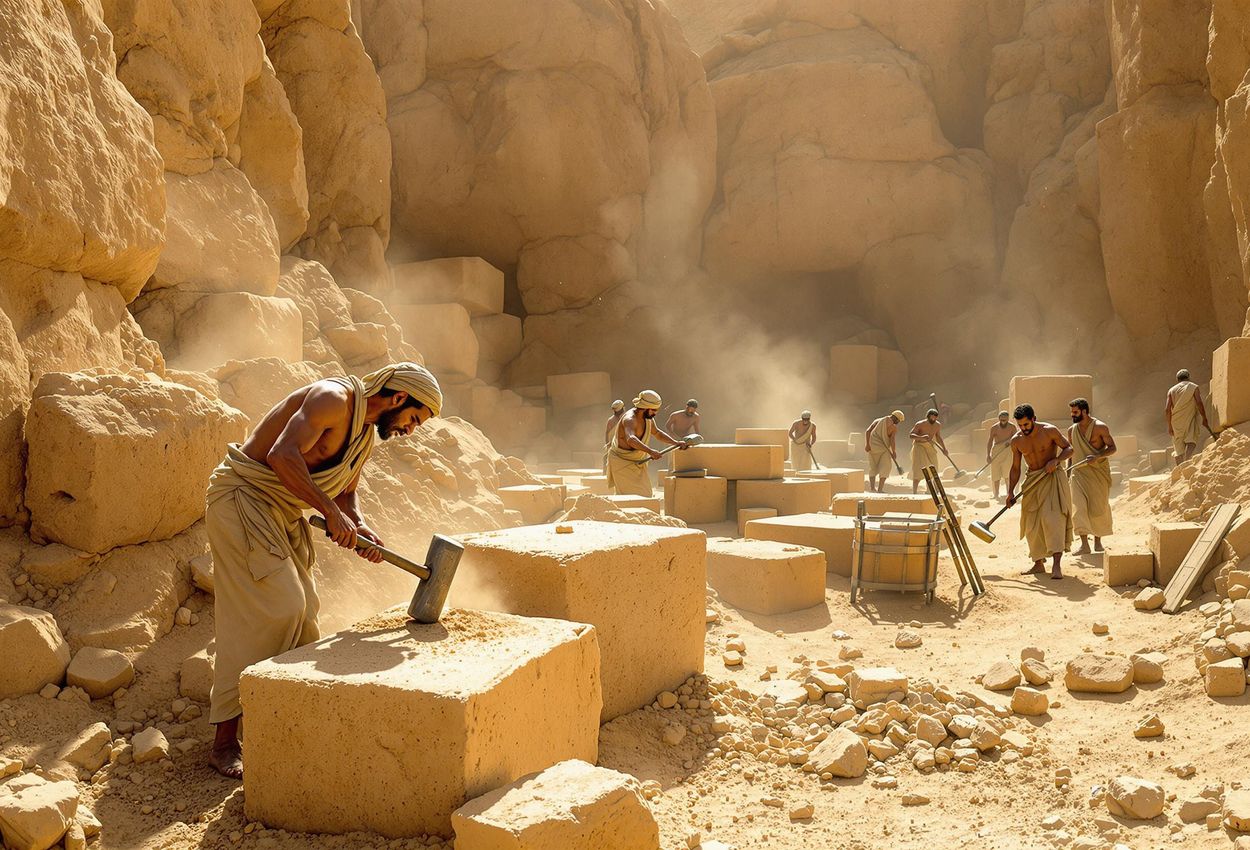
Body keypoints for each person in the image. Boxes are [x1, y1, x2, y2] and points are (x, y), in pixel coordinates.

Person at [205, 362, 443, 779]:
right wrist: (330, 512)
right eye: (414, 419)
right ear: (400, 397)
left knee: (305, 616)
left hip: (281, 514)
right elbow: (281, 455)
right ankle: (224, 741)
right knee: (275, 608)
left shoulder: (364, 434)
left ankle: (277, 722)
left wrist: (358, 526)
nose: (411, 430)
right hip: (242, 500)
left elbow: (347, 493)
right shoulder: (332, 399)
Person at [1006, 403, 1074, 580]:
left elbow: (1069, 448)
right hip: (1033, 480)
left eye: (1026, 424)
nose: (1023, 428)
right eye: (1020, 425)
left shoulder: (1049, 431)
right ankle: (1038, 563)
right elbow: (1015, 468)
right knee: (1032, 523)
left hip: (1052, 477)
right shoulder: (1016, 441)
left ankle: (1057, 565)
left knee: (1053, 519)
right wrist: (1010, 492)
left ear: (1033, 419)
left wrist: (1056, 460)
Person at [606, 390, 689, 496]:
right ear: (645, 407)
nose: (655, 413)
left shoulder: (648, 418)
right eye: (654, 410)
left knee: (646, 494)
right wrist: (650, 451)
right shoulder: (630, 419)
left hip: (638, 462)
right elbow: (631, 439)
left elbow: (657, 433)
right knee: (628, 497)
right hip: (622, 463)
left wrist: (675, 443)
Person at [1067, 398, 1116, 555]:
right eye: (1071, 412)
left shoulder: (1100, 427)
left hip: (1097, 473)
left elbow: (1113, 448)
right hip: (1078, 474)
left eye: (1075, 412)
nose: (1072, 415)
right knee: (1079, 508)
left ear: (1084, 411)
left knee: (1098, 508)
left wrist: (1097, 456)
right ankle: (1084, 545)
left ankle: (1097, 542)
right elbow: (1071, 453)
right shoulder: (1071, 430)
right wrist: (1068, 472)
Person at [1165, 369, 1211, 465]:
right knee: (1191, 441)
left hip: (1176, 421)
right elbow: (1199, 403)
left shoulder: (1171, 390)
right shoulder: (1193, 387)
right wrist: (1204, 418)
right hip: (1189, 418)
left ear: (1178, 379)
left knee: (1178, 448)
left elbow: (1167, 409)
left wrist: (1169, 426)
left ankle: (1179, 470)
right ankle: (1187, 460)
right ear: (1188, 377)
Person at [864, 410, 904, 493]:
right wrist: (893, 451)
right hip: (884, 449)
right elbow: (892, 440)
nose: (898, 423)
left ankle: (872, 488)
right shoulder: (893, 427)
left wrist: (867, 444)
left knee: (873, 467)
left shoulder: (877, 421)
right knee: (886, 467)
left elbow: (868, 431)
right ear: (896, 418)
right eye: (898, 421)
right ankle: (880, 489)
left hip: (872, 447)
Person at [908, 409, 946, 494]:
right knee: (919, 469)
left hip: (930, 446)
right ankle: (914, 492)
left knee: (933, 467)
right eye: (931, 418)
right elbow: (911, 435)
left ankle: (929, 490)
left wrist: (944, 449)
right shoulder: (920, 424)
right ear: (928, 417)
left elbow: (938, 437)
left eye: (935, 418)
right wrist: (921, 437)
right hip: (919, 446)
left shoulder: (937, 425)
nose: (933, 419)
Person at [986, 412, 1017, 502]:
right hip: (996, 451)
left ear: (1008, 419)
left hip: (1007, 452)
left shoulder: (1012, 427)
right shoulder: (994, 428)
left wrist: (1009, 441)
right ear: (999, 419)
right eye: (1001, 420)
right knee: (996, 474)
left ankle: (1009, 493)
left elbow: (1016, 438)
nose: (1003, 422)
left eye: (1005, 420)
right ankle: (996, 494)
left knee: (1007, 474)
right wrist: (988, 455)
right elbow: (990, 441)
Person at [603, 399, 626, 473]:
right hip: (613, 447)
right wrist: (608, 445)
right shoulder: (611, 420)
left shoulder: (626, 419)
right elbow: (607, 433)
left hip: (624, 447)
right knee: (606, 459)